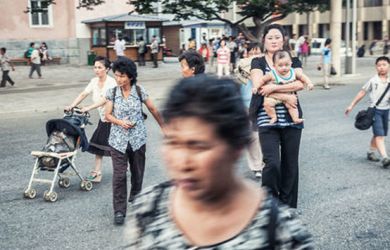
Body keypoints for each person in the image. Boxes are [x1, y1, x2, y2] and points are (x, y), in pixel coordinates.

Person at [122, 75, 314, 248]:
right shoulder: (147, 209)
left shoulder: (282, 233)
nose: (182, 162)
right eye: (172, 142)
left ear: (236, 147)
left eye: (198, 147)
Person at [249, 24, 306, 210]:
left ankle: (286, 206)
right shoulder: (257, 62)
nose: (274, 41)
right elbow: (259, 85)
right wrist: (284, 94)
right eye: (270, 37)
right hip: (267, 119)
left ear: (283, 41)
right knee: (272, 163)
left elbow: (300, 84)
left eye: (277, 37)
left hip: (292, 119)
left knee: (290, 164)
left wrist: (274, 88)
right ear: (264, 41)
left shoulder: (293, 60)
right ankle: (269, 205)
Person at [104, 57, 164, 225]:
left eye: (122, 76)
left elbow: (153, 109)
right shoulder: (112, 93)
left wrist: (164, 128)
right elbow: (107, 115)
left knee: (137, 173)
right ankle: (119, 211)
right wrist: (120, 122)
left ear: (130, 76)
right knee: (119, 176)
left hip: (137, 139)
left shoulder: (139, 91)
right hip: (117, 140)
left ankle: (136, 196)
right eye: (116, 75)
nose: (118, 79)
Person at [65, 56, 117, 182]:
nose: (96, 70)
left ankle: (100, 171)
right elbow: (84, 93)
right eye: (95, 67)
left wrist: (88, 107)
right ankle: (98, 172)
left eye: (100, 67)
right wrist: (72, 105)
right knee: (100, 145)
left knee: (107, 145)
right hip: (104, 118)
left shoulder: (112, 83)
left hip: (115, 118)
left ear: (107, 69)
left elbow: (105, 99)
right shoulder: (94, 81)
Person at [345, 56, 390, 168]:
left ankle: (370, 152)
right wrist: (351, 105)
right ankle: (385, 157)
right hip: (375, 111)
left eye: (384, 65)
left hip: (386, 110)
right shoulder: (373, 80)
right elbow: (362, 92)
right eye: (379, 65)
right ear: (376, 67)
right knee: (380, 135)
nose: (382, 67)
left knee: (379, 133)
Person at [254, 50, 313, 124]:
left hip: (289, 95)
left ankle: (295, 118)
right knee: (267, 104)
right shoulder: (272, 74)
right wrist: (256, 87)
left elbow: (302, 77)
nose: (284, 68)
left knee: (292, 106)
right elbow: (262, 80)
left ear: (291, 63)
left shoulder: (293, 72)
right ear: (274, 66)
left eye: (286, 65)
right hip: (273, 97)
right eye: (280, 65)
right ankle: (273, 116)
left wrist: (309, 83)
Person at [237, 44, 264, 178]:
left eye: (257, 52)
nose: (255, 54)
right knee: (253, 137)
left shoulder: (265, 68)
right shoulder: (242, 68)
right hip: (245, 106)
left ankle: (264, 162)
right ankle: (257, 166)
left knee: (263, 136)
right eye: (252, 52)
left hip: (262, 105)